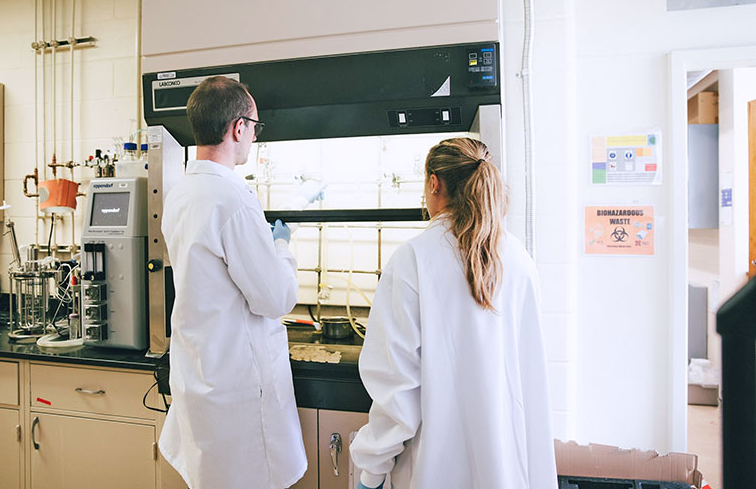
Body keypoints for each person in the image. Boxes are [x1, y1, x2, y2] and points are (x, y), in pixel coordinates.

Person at [350, 137, 557, 489]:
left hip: (436, 471)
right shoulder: (519, 260)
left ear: (434, 183)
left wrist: (371, 472)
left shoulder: (414, 260)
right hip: (510, 471)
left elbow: (396, 390)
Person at [159, 76, 312, 489]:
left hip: (201, 377)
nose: (253, 138)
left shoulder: (182, 193)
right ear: (238, 127)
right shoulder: (232, 198)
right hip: (237, 389)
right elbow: (275, 297)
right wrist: (282, 249)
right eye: (254, 128)